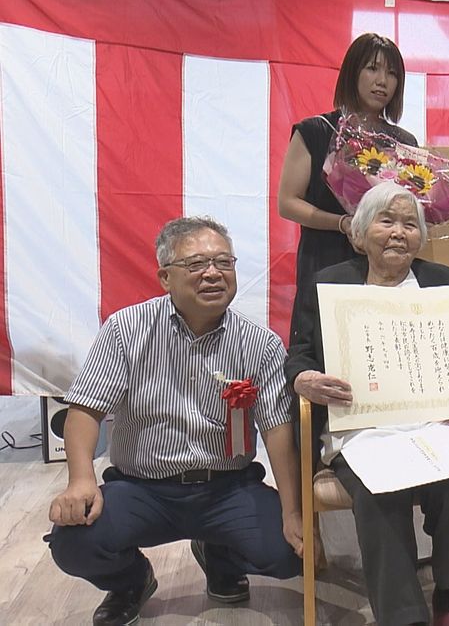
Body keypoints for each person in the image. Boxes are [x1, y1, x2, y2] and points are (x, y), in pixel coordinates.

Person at [45, 217, 302, 626]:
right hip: (141, 489)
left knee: (292, 552)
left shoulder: (261, 343)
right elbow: (86, 408)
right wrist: (81, 480)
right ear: (165, 277)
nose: (214, 273)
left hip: (227, 488)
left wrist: (292, 510)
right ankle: (131, 580)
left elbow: (277, 431)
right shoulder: (126, 330)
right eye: (197, 264)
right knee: (75, 542)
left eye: (224, 262)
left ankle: (219, 555)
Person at [286, 181, 449, 626]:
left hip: (436, 425)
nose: (398, 232)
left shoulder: (446, 282)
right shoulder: (328, 283)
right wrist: (306, 378)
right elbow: (298, 355)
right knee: (379, 489)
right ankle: (404, 617)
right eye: (386, 220)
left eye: (410, 224)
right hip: (362, 429)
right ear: (358, 234)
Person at [278, 32, 418, 298]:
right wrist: (344, 223)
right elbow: (287, 203)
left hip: (386, 265)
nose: (382, 81)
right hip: (325, 256)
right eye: (372, 68)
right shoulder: (316, 130)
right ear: (352, 72)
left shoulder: (404, 141)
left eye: (392, 74)